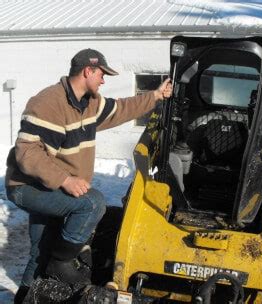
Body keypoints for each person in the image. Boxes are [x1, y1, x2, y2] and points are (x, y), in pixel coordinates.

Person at [5, 48, 172, 303]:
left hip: (50, 186)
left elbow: (122, 109)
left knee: (40, 252)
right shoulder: (48, 103)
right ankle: (61, 263)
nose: (104, 80)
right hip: (27, 186)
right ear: (88, 71)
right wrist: (66, 180)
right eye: (102, 75)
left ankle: (25, 298)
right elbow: (27, 154)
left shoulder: (90, 104)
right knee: (92, 203)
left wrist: (155, 96)